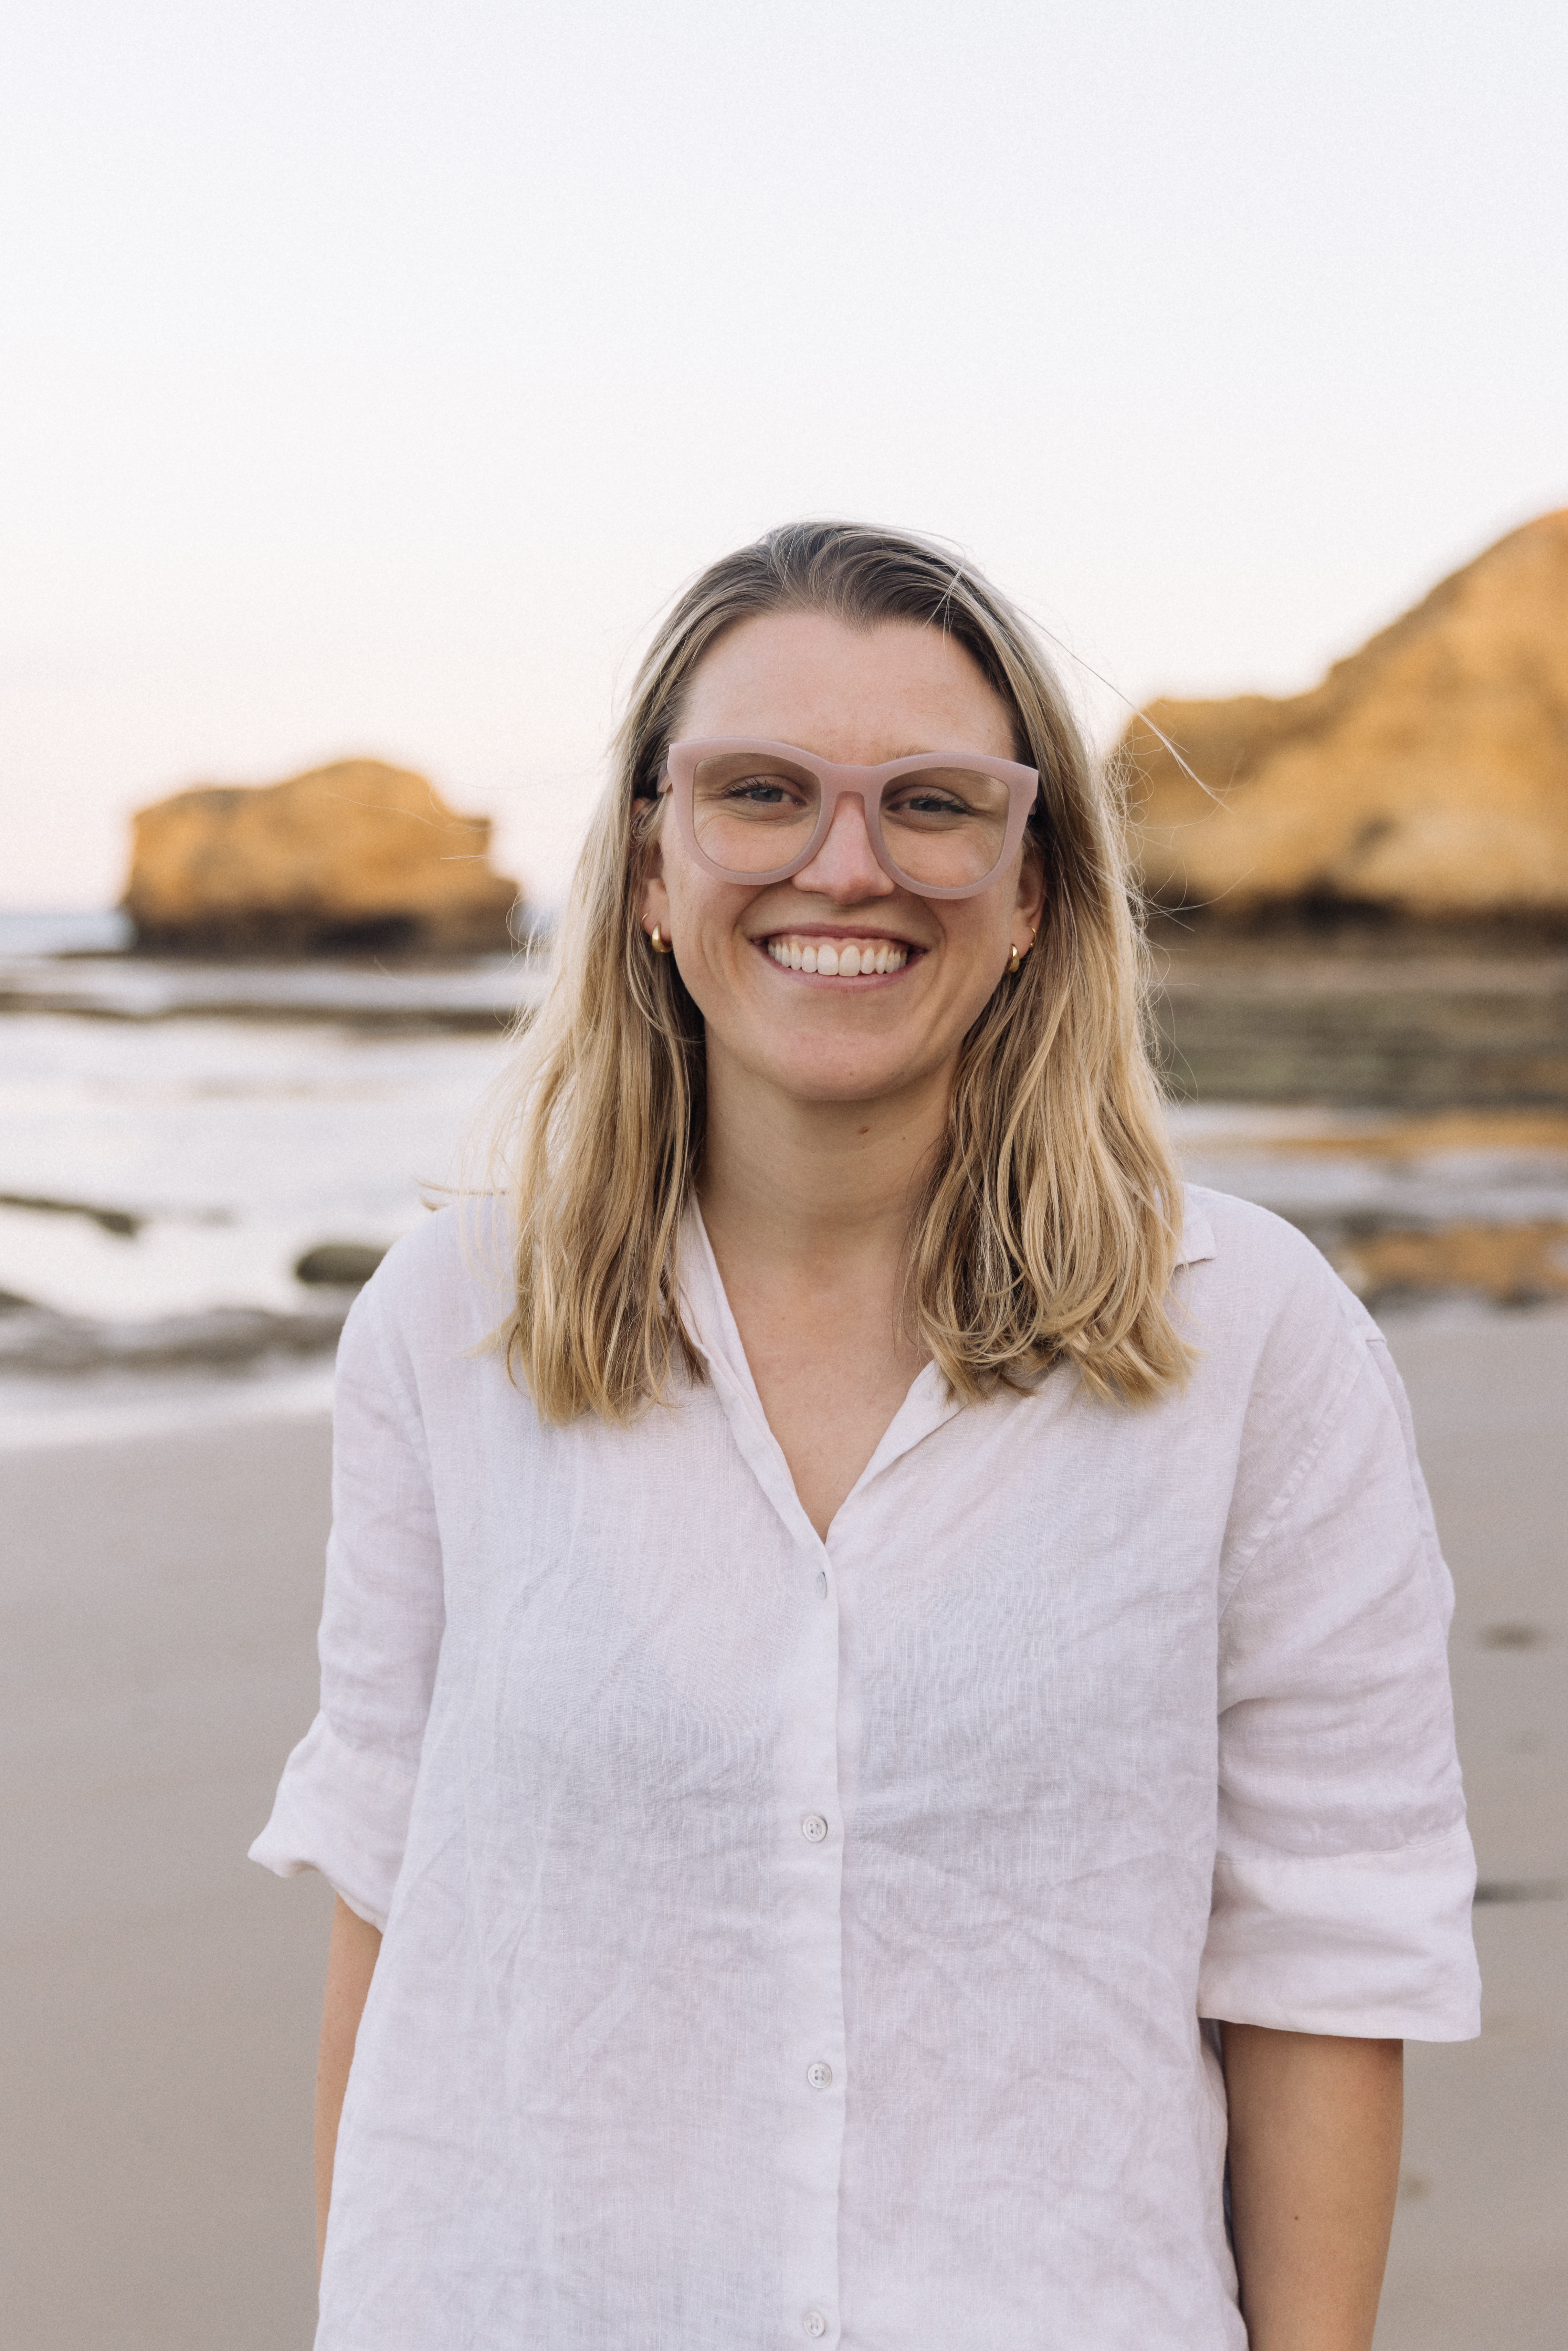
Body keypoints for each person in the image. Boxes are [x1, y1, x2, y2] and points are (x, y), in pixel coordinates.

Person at [252, 521, 1480, 2350]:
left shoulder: (1257, 1345)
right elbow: (392, 1913)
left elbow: (1325, 1968)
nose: (850, 862)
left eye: (932, 802)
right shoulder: (449, 1326)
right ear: (652, 871)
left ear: (1036, 885)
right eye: (761, 791)